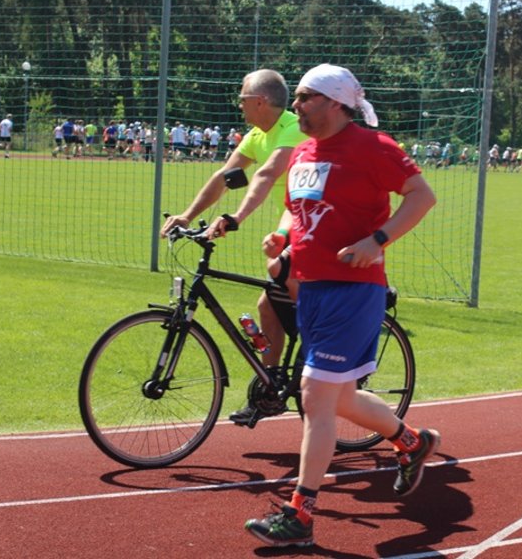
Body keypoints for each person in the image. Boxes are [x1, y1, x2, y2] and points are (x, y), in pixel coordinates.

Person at [243, 64, 439, 549]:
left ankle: (301, 515)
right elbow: (297, 207)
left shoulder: (375, 148)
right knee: (341, 398)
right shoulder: (305, 151)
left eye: (305, 97)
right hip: (309, 289)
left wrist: (378, 239)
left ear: (335, 102)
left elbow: (422, 196)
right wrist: (283, 239)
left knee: (314, 397)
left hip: (354, 291)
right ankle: (412, 442)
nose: (296, 106)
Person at [161, 69, 308, 425]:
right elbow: (225, 177)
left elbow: (269, 173)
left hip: (311, 224)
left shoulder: (293, 128)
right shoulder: (258, 135)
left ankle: (319, 355)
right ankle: (269, 391)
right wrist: (187, 214)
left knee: (294, 296)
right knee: (268, 306)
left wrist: (235, 218)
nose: (239, 105)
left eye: (242, 99)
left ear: (259, 101)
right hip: (290, 225)